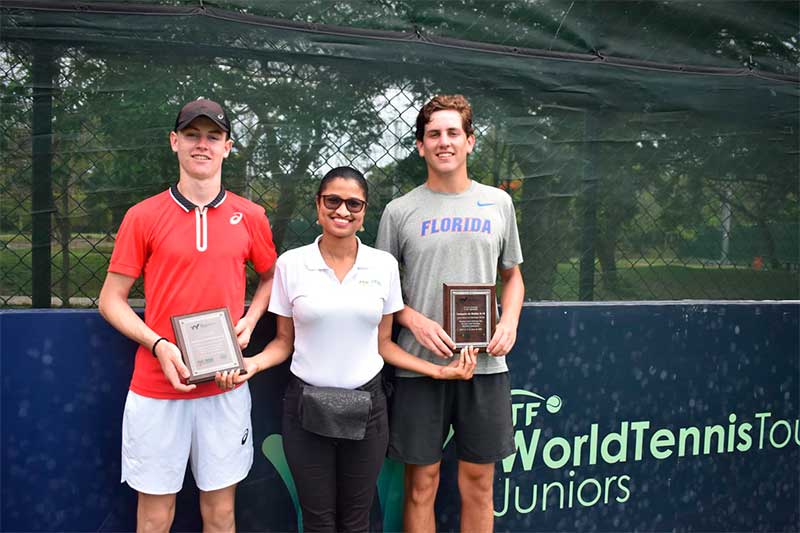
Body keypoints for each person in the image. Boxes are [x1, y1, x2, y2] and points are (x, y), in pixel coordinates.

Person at [215, 166, 477, 532]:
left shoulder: (383, 265)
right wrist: (254, 364)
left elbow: (384, 344)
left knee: (357, 520)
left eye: (353, 203)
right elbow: (283, 342)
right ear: (319, 206)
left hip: (368, 410)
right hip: (305, 409)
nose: (342, 210)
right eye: (333, 201)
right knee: (318, 520)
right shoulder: (292, 264)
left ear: (364, 211)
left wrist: (438, 370)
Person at [98, 98, 277, 533]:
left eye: (213, 136)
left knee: (220, 516)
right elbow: (110, 300)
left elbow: (273, 279)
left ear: (228, 147)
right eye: (193, 135)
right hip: (157, 389)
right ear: (174, 142)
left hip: (224, 386)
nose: (203, 145)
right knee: (156, 517)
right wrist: (158, 344)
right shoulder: (143, 216)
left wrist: (251, 319)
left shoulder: (250, 216)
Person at [376, 94, 525, 532]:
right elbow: (382, 293)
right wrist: (412, 318)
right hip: (420, 368)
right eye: (433, 134)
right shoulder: (398, 211)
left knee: (479, 482)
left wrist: (510, 320)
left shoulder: (499, 203)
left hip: (486, 365)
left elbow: (514, 277)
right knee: (422, 484)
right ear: (420, 146)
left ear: (470, 141)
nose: (444, 142)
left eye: (453, 133)